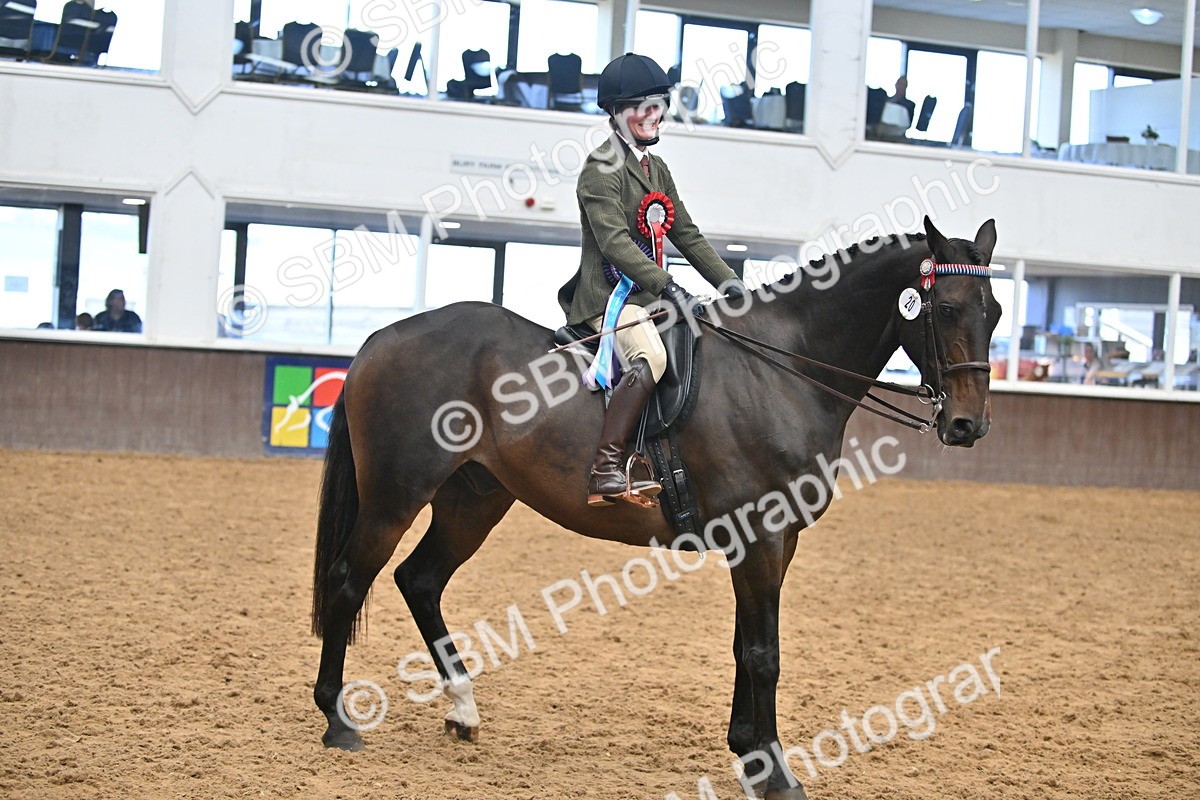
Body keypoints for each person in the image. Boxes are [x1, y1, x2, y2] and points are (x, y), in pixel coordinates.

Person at [557, 52, 744, 509]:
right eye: (640, 106)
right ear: (616, 114)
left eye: (658, 103)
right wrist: (669, 285)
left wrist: (729, 284)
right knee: (651, 354)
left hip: (649, 297)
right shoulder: (600, 167)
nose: (652, 114)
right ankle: (607, 465)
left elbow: (688, 235)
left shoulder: (656, 169)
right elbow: (615, 244)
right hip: (608, 299)